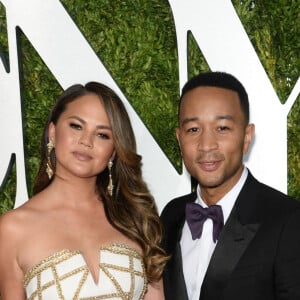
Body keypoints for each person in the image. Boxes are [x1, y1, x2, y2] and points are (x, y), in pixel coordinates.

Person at [0, 82, 168, 299]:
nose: (86, 141)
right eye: (76, 126)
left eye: (102, 135)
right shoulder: (13, 228)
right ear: (52, 132)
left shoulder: (135, 216)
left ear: (114, 152)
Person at [161, 71, 300, 300]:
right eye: (193, 129)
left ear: (246, 137)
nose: (206, 145)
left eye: (222, 128)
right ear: (179, 139)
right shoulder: (171, 215)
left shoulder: (288, 220)